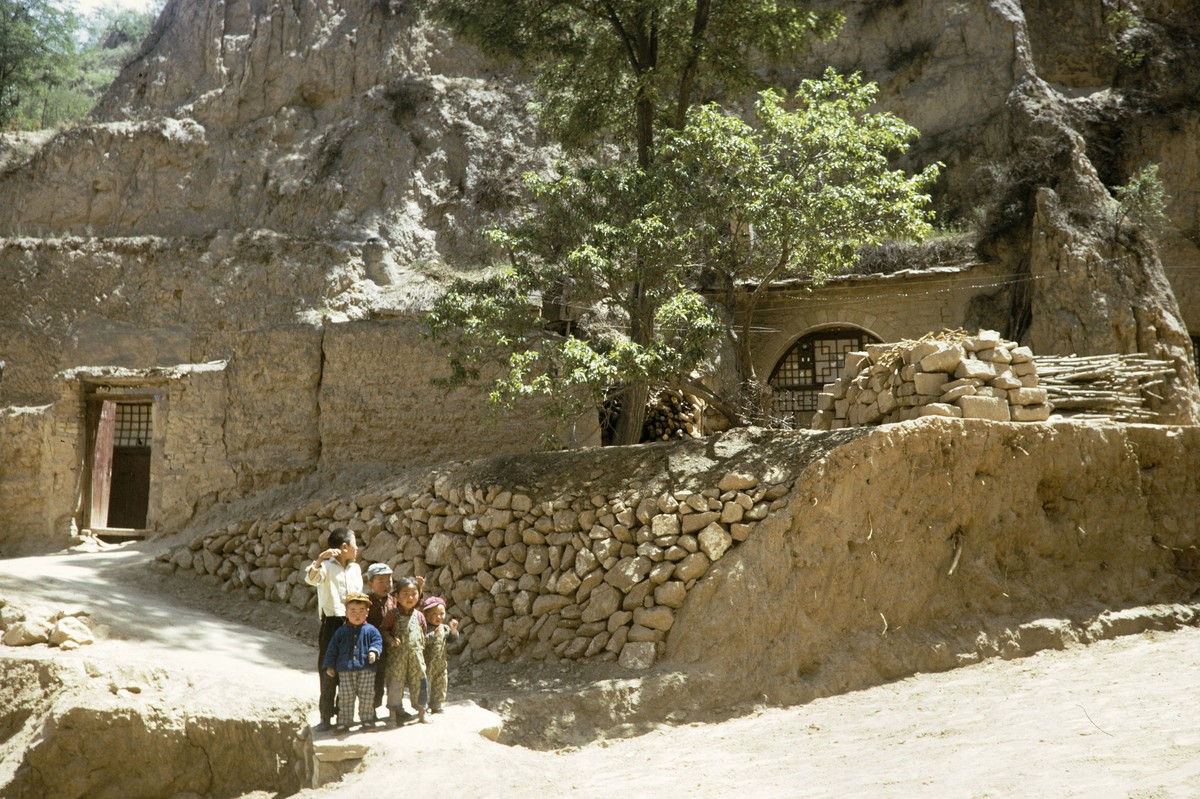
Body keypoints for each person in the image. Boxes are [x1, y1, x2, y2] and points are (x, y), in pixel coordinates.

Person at [304, 527, 363, 732]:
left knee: (348, 669)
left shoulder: (355, 569)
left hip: (352, 624)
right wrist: (320, 559)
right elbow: (311, 579)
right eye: (355, 544)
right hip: (332, 623)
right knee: (328, 669)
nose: (357, 548)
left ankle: (344, 715)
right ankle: (326, 716)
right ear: (344, 547)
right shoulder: (326, 567)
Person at [322, 592, 384, 731]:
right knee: (345, 696)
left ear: (367, 613)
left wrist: (374, 651)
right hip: (345, 670)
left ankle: (367, 719)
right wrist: (330, 665)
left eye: (361, 611)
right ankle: (344, 721)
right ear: (346, 612)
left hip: (366, 669)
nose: (357, 615)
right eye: (353, 611)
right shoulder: (340, 632)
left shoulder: (371, 630)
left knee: (367, 695)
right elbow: (332, 649)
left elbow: (377, 642)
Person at [383, 576, 428, 725]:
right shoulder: (392, 615)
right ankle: (393, 716)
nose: (410, 597)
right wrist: (390, 640)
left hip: (416, 658)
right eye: (405, 594)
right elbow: (383, 630)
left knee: (420, 682)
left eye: (414, 593)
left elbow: (423, 634)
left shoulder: (420, 616)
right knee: (395, 683)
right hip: (397, 658)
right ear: (396, 596)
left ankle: (422, 712)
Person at [364, 562, 395, 719]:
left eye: (389, 581)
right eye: (381, 581)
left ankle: (394, 709)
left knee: (390, 678)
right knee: (373, 681)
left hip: (390, 649)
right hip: (373, 649)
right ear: (371, 584)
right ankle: (371, 710)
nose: (386, 585)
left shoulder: (393, 601)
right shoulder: (367, 603)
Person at [422, 595, 459, 714]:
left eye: (441, 613)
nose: (438, 617)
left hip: (441, 663)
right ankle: (424, 705)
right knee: (426, 683)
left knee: (441, 682)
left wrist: (453, 631)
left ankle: (437, 704)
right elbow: (422, 641)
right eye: (434, 614)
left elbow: (452, 639)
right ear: (426, 615)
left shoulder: (444, 628)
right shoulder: (424, 628)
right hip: (427, 663)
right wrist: (433, 635)